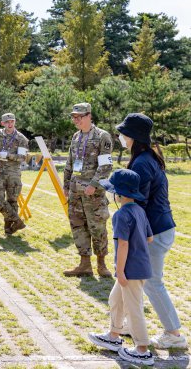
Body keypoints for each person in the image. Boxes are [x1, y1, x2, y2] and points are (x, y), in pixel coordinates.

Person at [116, 113, 187, 349]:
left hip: (155, 231)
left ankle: (173, 333)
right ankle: (126, 324)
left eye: (124, 133)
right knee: (135, 279)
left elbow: (139, 201)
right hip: (160, 227)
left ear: (133, 136)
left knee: (151, 282)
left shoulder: (141, 163)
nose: (121, 137)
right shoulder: (148, 158)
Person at [88, 169, 154, 366]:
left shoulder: (120, 215)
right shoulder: (140, 211)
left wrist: (120, 271)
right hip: (140, 266)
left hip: (129, 270)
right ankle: (113, 335)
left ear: (119, 194)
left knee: (134, 309)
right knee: (116, 299)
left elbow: (123, 244)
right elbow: (149, 238)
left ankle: (142, 349)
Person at [63, 102, 113, 278]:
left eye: (79, 117)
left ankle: (101, 264)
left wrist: (94, 184)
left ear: (89, 116)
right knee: (78, 225)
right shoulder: (76, 137)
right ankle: (84, 264)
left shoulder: (102, 136)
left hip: (94, 193)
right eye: (74, 117)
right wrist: (66, 185)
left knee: (97, 226)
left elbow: (106, 165)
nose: (76, 120)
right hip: (76, 191)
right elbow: (69, 163)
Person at [0, 113, 29, 235]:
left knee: (12, 201)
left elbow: (22, 157)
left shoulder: (21, 138)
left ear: (14, 122)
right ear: (2, 123)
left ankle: (9, 227)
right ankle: (18, 220)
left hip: (13, 173)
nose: (10, 124)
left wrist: (8, 156)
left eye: (12, 121)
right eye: (7, 122)